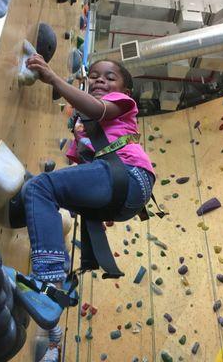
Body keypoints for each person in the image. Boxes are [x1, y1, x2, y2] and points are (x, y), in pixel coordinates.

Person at [25, 56, 155, 361]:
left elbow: (96, 109)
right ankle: (54, 285)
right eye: (94, 76)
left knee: (39, 188)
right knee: (40, 191)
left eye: (109, 77)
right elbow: (75, 177)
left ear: (124, 88)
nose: (99, 81)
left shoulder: (120, 103)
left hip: (129, 173)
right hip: (118, 196)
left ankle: (48, 280)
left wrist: (55, 80)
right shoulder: (80, 131)